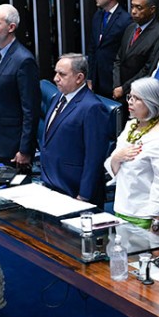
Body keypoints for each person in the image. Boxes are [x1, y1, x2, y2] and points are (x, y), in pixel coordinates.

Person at [105, 77, 159, 238]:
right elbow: (114, 165)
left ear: (152, 102)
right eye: (130, 97)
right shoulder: (131, 126)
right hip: (124, 207)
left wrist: (157, 222)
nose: (130, 102)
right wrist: (117, 157)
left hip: (146, 217)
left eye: (137, 98)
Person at [40, 54, 110, 206]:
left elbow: (94, 157)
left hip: (74, 191)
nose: (56, 78)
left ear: (79, 78)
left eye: (62, 74)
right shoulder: (57, 97)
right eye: (56, 73)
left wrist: (84, 195)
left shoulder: (93, 107)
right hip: (52, 184)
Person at [0, 4, 40, 171]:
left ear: (11, 27)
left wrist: (25, 149)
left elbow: (30, 110)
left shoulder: (24, 60)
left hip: (13, 145)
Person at [111, 0, 159, 102]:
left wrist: (124, 88)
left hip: (140, 95)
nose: (134, 11)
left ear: (152, 10)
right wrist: (116, 85)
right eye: (132, 6)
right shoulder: (130, 28)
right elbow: (119, 58)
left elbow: (148, 69)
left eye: (139, 8)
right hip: (119, 92)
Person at [87, 0, 132, 97]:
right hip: (96, 80)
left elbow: (124, 54)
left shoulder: (125, 20)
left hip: (113, 80)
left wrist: (119, 84)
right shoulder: (97, 16)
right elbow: (92, 48)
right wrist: (90, 77)